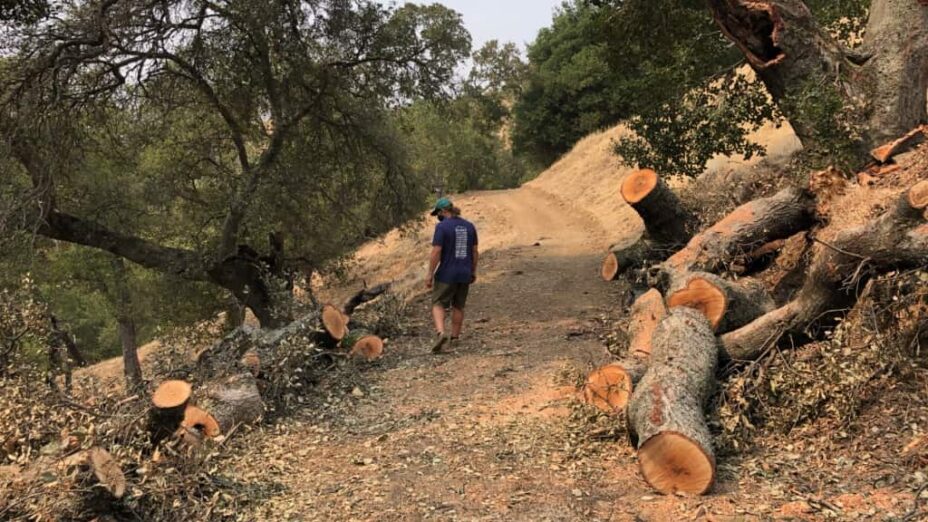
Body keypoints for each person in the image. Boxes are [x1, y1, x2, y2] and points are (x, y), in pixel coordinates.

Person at [426, 197, 478, 353]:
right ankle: (455, 338)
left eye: (438, 213)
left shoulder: (442, 227)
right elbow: (475, 251)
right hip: (464, 272)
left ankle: (441, 333)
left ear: (443, 211)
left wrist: (430, 273)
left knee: (438, 303)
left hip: (446, 273)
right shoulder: (469, 226)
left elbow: (436, 251)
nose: (438, 217)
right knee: (458, 305)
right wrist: (473, 271)